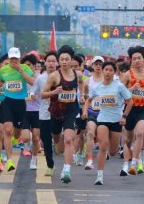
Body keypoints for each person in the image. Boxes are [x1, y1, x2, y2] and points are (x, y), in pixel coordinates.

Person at [82, 61, 133, 186]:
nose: (108, 72)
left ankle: (115, 151)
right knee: (103, 146)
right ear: (103, 71)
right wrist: (85, 110)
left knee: (113, 152)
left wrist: (124, 116)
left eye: (111, 70)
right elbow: (89, 100)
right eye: (106, 70)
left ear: (114, 72)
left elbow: (130, 101)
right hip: (102, 119)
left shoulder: (119, 86)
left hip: (116, 120)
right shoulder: (97, 87)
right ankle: (99, 176)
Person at [41, 45, 84, 183]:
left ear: (72, 60)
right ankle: (57, 141)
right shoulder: (54, 76)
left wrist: (82, 95)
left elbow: (82, 83)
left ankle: (66, 170)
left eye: (67, 59)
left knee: (69, 139)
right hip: (56, 113)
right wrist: (54, 92)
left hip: (71, 112)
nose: (64, 62)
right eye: (62, 59)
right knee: (59, 146)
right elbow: (42, 94)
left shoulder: (77, 74)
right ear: (59, 61)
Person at [0, 47, 35, 172]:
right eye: (12, 58)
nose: (14, 60)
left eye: (16, 58)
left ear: (19, 58)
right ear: (9, 58)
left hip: (20, 103)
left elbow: (32, 82)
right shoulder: (4, 70)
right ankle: (8, 160)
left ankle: (14, 141)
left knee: (17, 133)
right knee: (7, 130)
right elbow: (0, 83)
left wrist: (20, 70)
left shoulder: (25, 68)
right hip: (7, 102)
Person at [120, 46, 144, 176]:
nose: (137, 61)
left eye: (139, 58)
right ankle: (125, 164)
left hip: (142, 109)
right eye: (134, 58)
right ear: (131, 60)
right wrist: (131, 89)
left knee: (140, 133)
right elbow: (119, 92)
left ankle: (134, 163)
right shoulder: (127, 75)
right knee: (128, 140)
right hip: (129, 110)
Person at [35, 51, 58, 177]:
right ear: (45, 63)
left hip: (59, 114)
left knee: (59, 141)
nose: (51, 63)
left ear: (57, 63)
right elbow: (34, 92)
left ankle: (58, 145)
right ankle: (50, 165)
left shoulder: (62, 77)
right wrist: (32, 96)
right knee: (46, 140)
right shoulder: (40, 79)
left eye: (53, 61)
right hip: (44, 113)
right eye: (49, 61)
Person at [82, 56, 104, 170]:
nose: (98, 66)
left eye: (100, 64)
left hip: (105, 113)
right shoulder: (88, 81)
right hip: (92, 111)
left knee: (102, 137)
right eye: (96, 64)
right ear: (93, 66)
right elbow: (85, 97)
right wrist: (84, 110)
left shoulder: (109, 80)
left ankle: (103, 153)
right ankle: (90, 160)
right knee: (90, 132)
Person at [20, 54, 41, 170]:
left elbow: (42, 92)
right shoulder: (21, 79)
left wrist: (37, 96)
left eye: (29, 65)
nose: (27, 67)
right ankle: (27, 144)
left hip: (37, 111)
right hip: (25, 111)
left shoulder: (39, 78)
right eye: (25, 65)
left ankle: (34, 159)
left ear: (34, 66)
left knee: (36, 138)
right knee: (26, 138)